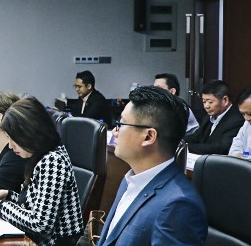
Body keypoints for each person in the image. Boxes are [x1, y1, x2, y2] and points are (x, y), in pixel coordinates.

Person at [96, 86, 207, 246]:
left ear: (148, 136)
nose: (115, 132)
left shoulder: (178, 205)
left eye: (121, 124)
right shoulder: (131, 179)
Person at [0, 96, 82, 246]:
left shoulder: (52, 160)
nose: (10, 146)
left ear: (27, 133)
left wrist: (0, 206)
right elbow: (34, 205)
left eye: (13, 138)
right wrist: (8, 195)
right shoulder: (40, 154)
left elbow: (40, 225)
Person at [184, 80, 244, 154]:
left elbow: (222, 148)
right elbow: (197, 136)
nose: (206, 106)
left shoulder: (237, 120)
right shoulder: (209, 116)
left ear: (225, 100)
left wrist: (187, 147)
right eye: (204, 102)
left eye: (210, 102)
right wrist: (180, 143)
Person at [228, 87, 251, 157]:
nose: (247, 118)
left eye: (250, 114)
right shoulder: (246, 125)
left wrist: (243, 155)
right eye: (243, 114)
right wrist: (245, 155)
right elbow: (233, 150)